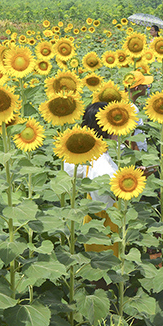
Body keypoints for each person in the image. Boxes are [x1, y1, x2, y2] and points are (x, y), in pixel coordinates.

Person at [63, 102, 120, 253]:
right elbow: (109, 195)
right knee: (107, 263)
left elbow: (70, 170)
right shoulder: (102, 163)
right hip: (105, 225)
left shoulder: (90, 153)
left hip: (92, 220)